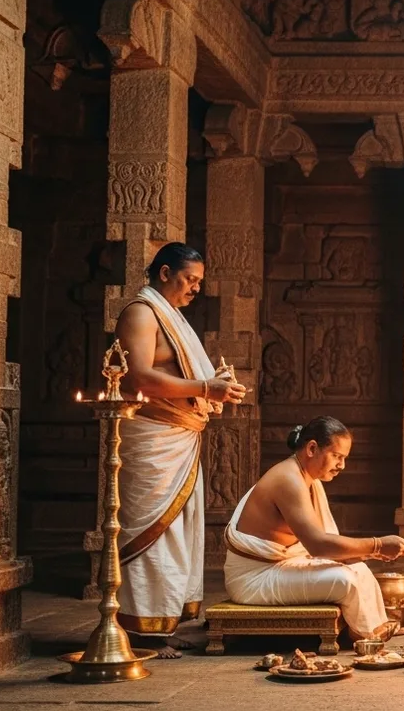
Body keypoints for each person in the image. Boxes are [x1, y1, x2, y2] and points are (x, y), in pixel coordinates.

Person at [113, 243, 247, 657]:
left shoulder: (174, 317)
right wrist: (206, 387)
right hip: (153, 438)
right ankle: (140, 630)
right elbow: (137, 377)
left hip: (181, 438)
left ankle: (162, 623)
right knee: (153, 534)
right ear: (165, 272)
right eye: (190, 280)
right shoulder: (141, 313)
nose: (195, 289)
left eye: (199, 282)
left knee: (177, 532)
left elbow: (178, 373)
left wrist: (215, 383)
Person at [225, 417, 404, 641]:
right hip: (254, 578)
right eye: (337, 456)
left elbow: (325, 543)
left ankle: (374, 627)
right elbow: (318, 545)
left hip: (280, 565)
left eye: (344, 458)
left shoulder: (308, 479)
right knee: (344, 580)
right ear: (312, 448)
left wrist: (370, 552)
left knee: (359, 569)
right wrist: (378, 545)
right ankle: (363, 635)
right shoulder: (288, 479)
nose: (342, 466)